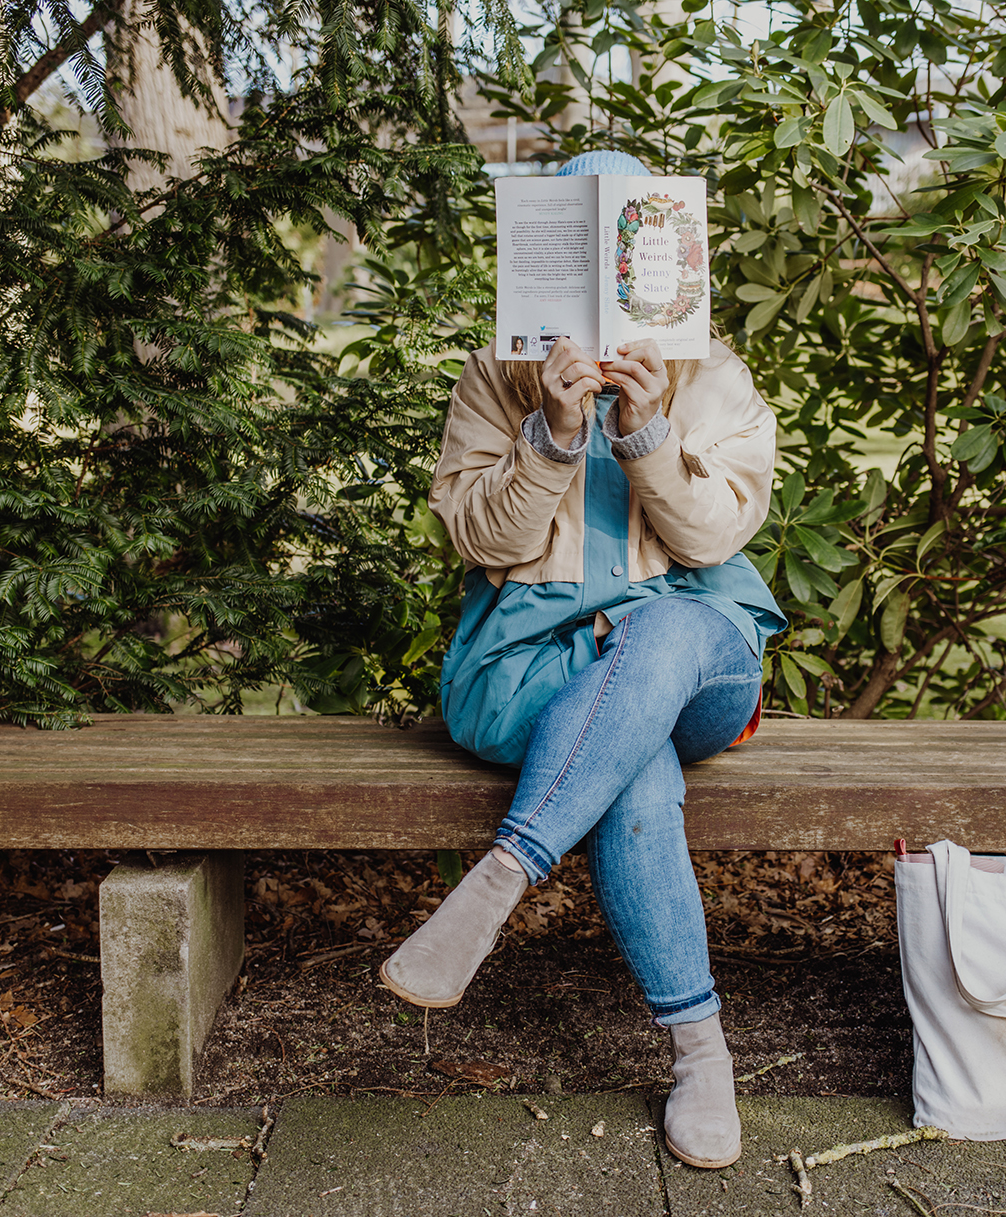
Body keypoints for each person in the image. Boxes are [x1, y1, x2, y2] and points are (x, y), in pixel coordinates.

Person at [378, 150, 784, 1171]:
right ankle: (701, 1053)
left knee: (661, 631)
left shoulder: (715, 374)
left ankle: (502, 871)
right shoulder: (497, 372)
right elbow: (485, 541)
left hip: (696, 653)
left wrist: (644, 433)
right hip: (532, 662)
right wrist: (554, 434)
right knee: (632, 762)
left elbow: (709, 544)